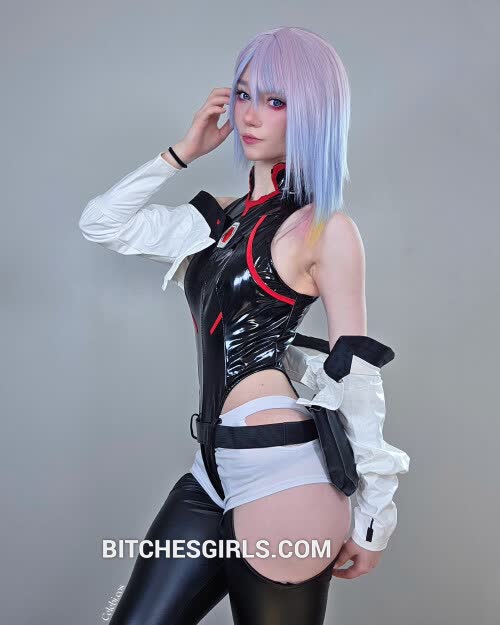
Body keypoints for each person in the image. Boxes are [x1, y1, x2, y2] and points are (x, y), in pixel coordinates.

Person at [79, 26, 410, 625]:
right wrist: (183, 152)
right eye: (243, 94)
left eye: (275, 100)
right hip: (210, 469)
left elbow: (356, 375)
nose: (250, 114)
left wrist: (373, 517)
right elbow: (102, 224)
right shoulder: (216, 221)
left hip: (285, 475)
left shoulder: (323, 229)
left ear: (312, 114)